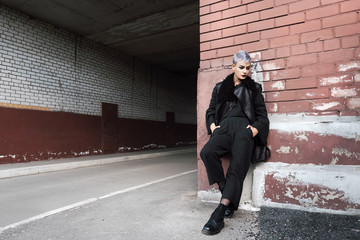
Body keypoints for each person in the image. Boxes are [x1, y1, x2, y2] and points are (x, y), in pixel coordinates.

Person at [200, 50, 269, 235]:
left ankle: (219, 213)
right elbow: (211, 110)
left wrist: (254, 129)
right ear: (233, 67)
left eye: (248, 68)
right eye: (241, 67)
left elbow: (262, 116)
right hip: (224, 128)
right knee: (207, 152)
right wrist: (213, 126)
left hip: (244, 130)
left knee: (237, 167)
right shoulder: (220, 87)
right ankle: (226, 192)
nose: (245, 71)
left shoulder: (254, 89)